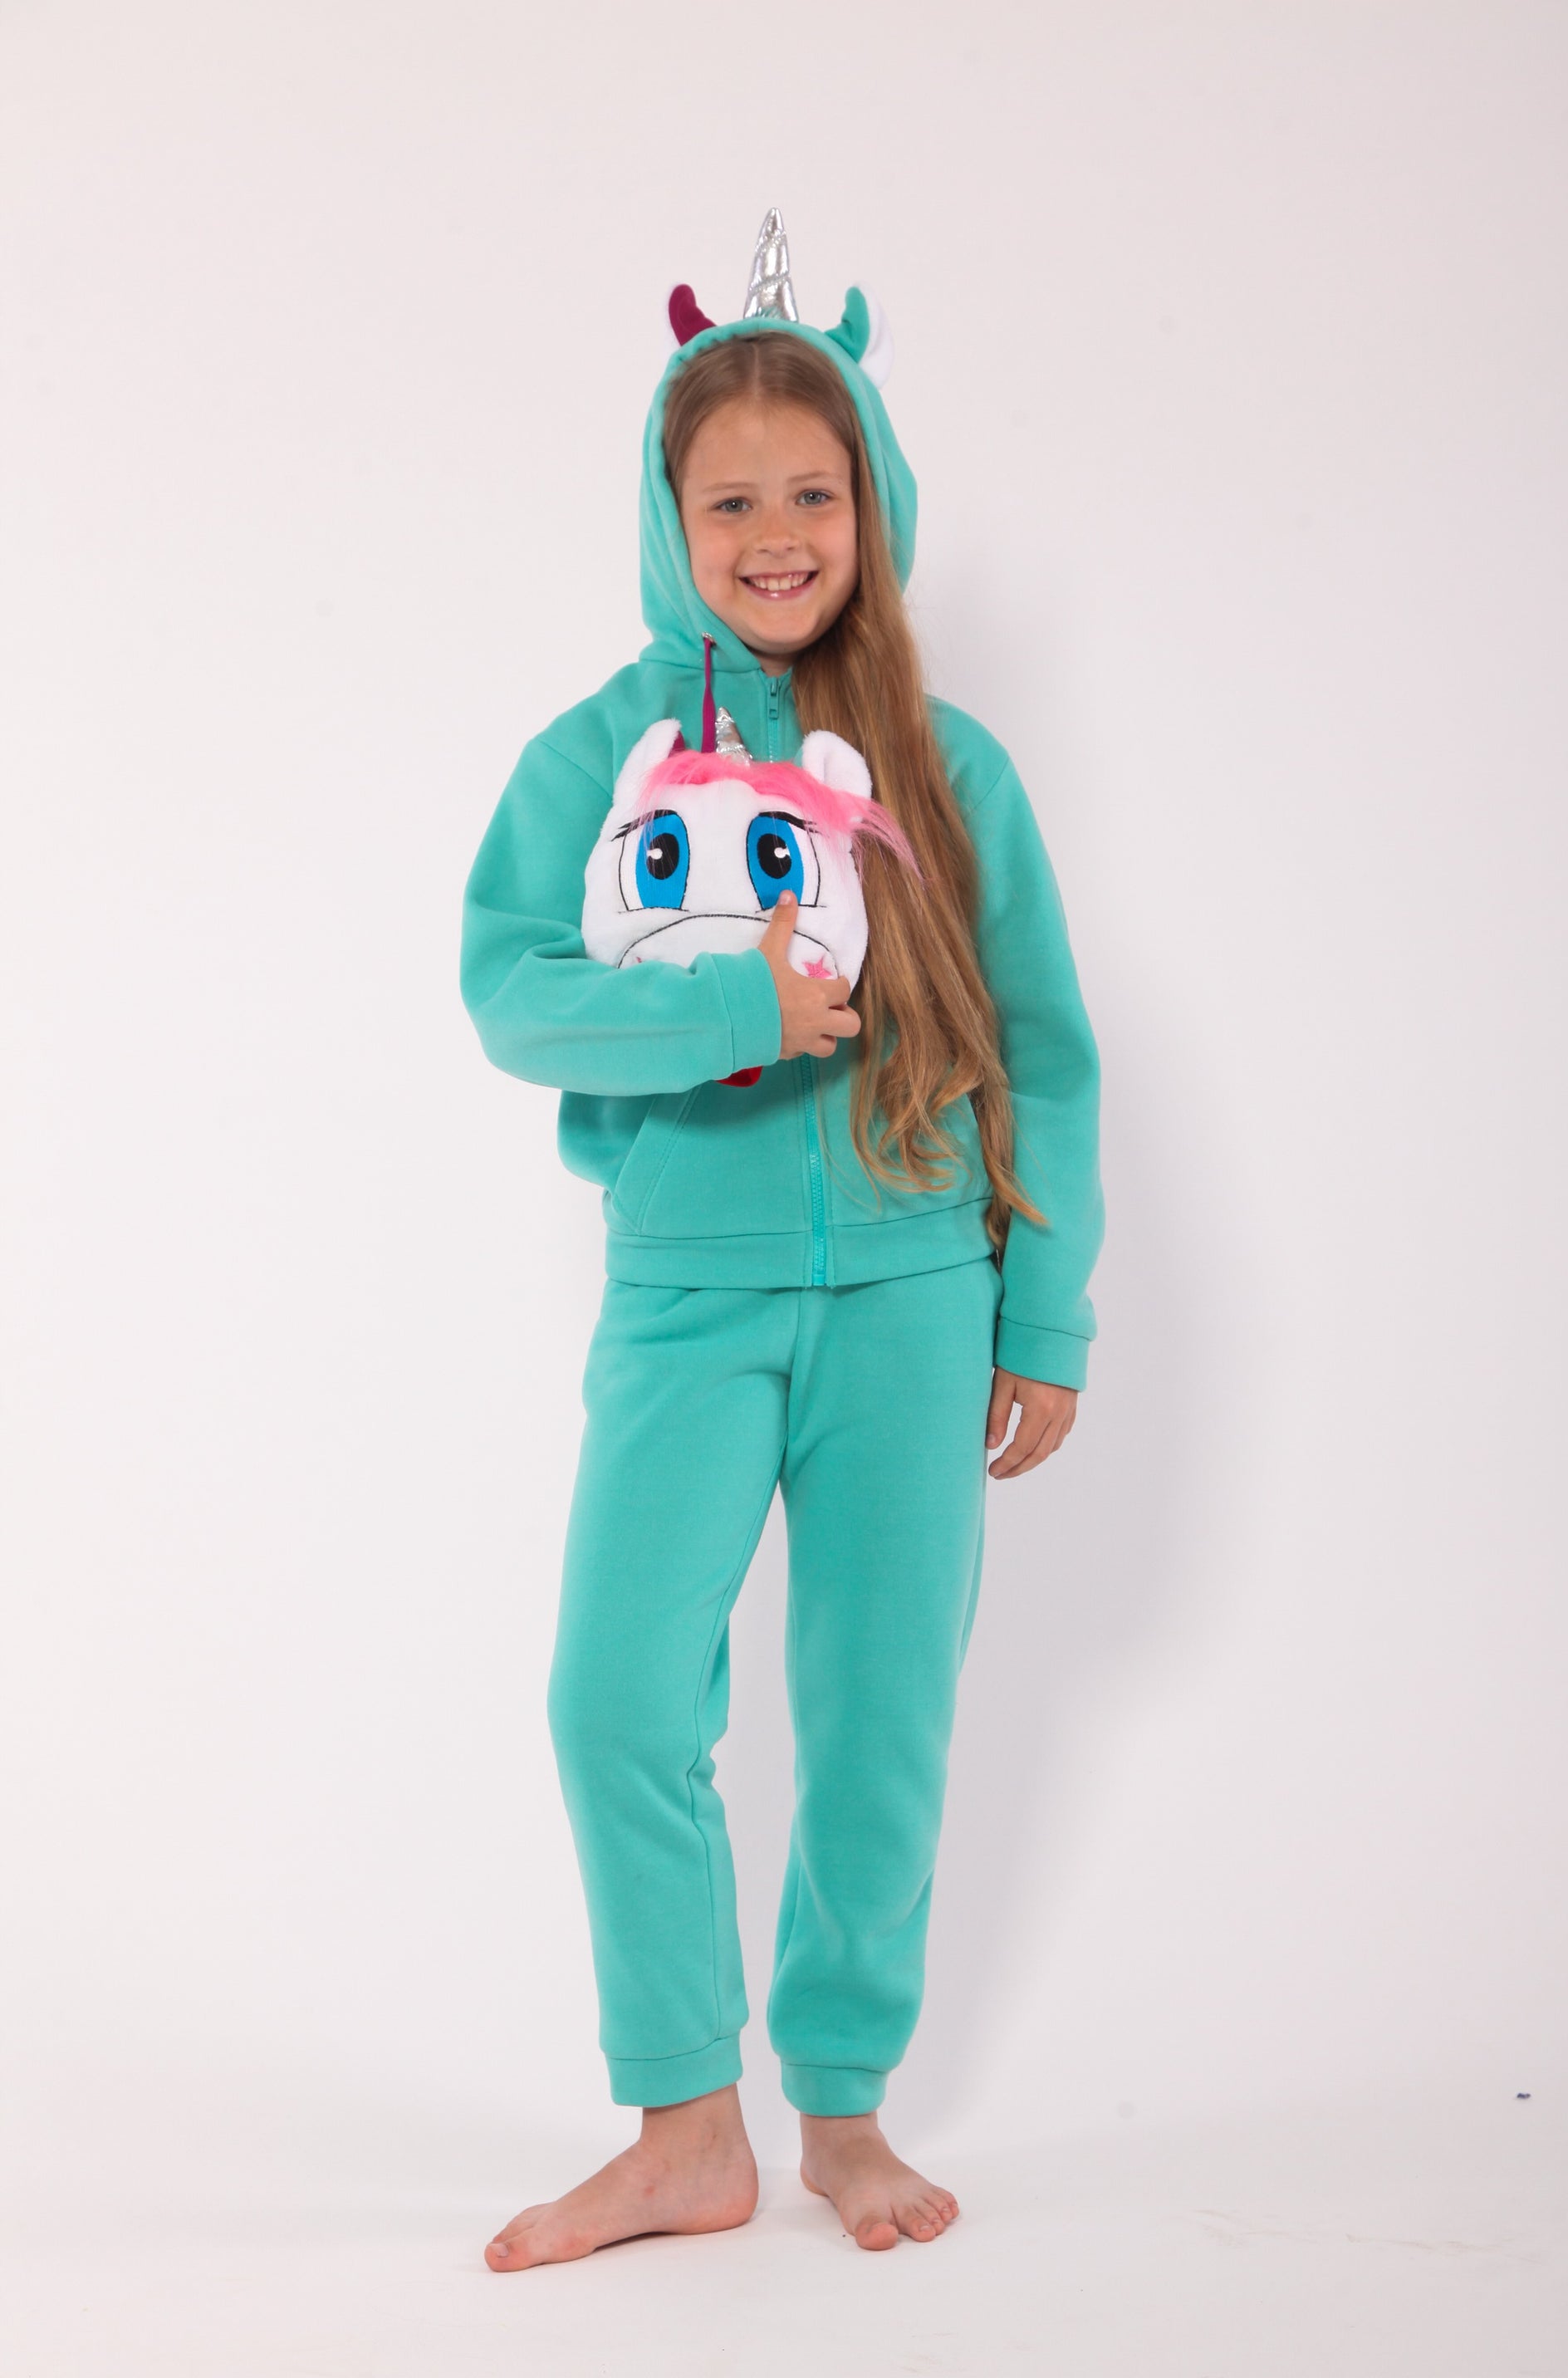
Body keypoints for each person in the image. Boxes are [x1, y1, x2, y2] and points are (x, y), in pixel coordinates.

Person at [459, 213, 1104, 2265]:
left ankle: (839, 2106)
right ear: (669, 521)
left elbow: (1044, 1053)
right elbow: (512, 994)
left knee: (879, 1714)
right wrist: (727, 1013)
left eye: (812, 494)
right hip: (691, 1298)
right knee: (615, 1697)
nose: (774, 534)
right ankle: (683, 2126)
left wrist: (1044, 1306)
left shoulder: (946, 763)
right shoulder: (601, 756)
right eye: (729, 500)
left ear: (872, 505)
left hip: (919, 1299)